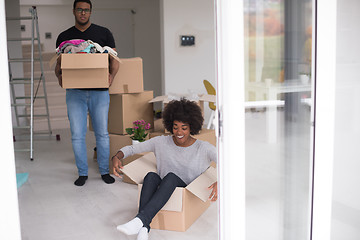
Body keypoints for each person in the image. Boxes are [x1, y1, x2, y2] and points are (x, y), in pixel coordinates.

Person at [112, 99, 218, 240]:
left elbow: (228, 162)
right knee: (150, 176)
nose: (179, 132)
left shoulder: (203, 148)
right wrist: (117, 156)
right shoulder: (160, 142)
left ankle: (140, 221)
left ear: (192, 127)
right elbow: (132, 148)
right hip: (164, 187)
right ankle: (144, 228)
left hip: (186, 190)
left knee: (171, 177)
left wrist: (220, 181)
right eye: (175, 127)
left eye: (184, 128)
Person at [55, 0, 119, 186]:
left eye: (86, 10)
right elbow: (59, 64)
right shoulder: (64, 36)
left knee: (102, 134)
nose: (83, 13)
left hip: (100, 92)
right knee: (77, 135)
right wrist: (60, 76)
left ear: (91, 12)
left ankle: (104, 172)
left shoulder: (104, 33)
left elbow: (114, 60)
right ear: (74, 11)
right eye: (80, 10)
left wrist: (111, 77)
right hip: (75, 93)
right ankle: (82, 173)